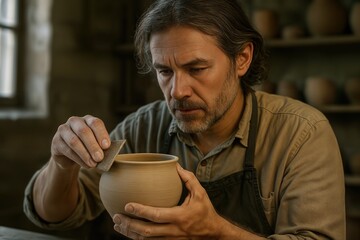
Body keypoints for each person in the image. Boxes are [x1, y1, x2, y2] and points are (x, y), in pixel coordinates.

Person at [24, 0, 346, 239]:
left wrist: (215, 232)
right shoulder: (143, 127)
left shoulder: (301, 133)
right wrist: (61, 165)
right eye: (165, 71)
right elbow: (56, 215)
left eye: (196, 69)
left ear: (242, 59)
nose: (177, 91)